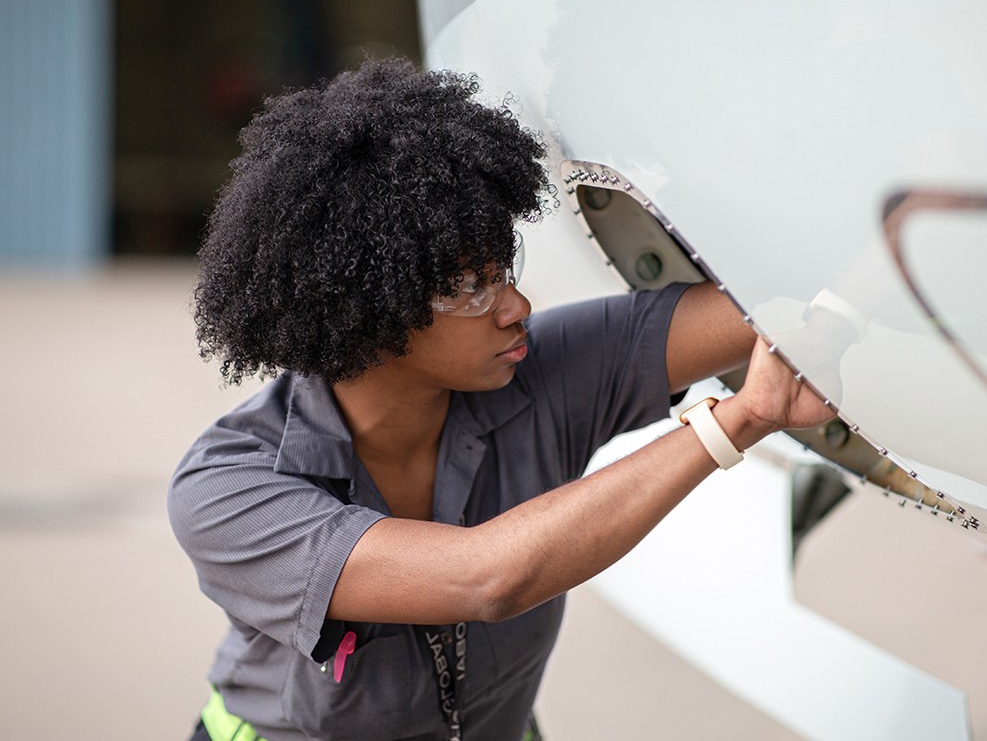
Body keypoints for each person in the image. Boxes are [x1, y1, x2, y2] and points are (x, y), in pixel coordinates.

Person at [169, 58, 833, 741]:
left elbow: (771, 311)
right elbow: (486, 580)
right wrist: (740, 419)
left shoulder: (531, 370)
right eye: (468, 287)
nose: (516, 306)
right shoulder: (227, 490)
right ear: (367, 310)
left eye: (502, 270)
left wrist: (877, 253)